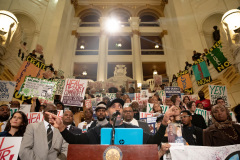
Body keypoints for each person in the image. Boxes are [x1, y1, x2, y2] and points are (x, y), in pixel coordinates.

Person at [46, 98, 180, 145]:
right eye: (113, 106)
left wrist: (163, 124)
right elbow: (75, 141)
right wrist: (62, 127)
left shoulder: (133, 129)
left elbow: (154, 141)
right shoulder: (98, 130)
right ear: (107, 112)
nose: (118, 109)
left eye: (120, 107)